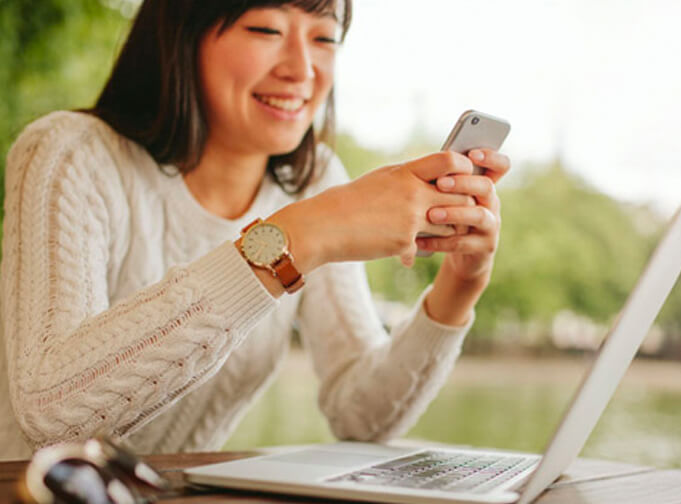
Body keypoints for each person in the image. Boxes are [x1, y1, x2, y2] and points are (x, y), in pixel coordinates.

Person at [0, 0, 510, 460]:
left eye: (324, 38)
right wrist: (300, 236)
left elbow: (362, 415)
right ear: (182, 34)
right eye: (266, 29)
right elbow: (51, 415)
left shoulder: (314, 181)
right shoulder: (69, 155)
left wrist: (460, 287)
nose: (301, 69)